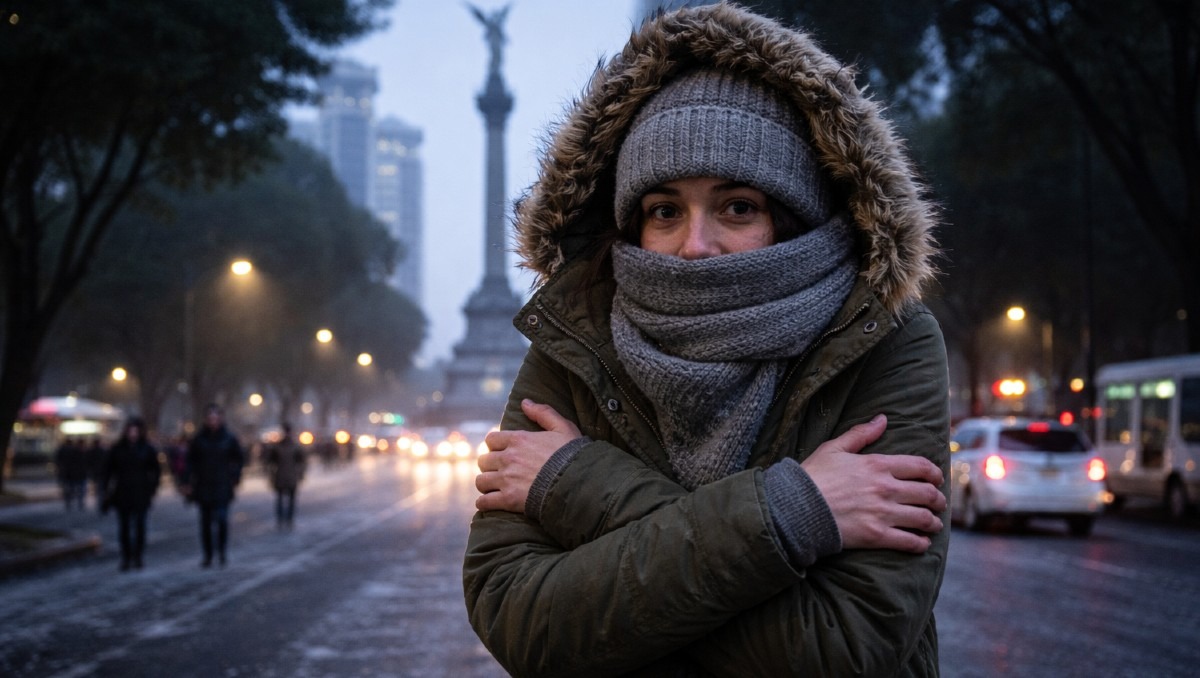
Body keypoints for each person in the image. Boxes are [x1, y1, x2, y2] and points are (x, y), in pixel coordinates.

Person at [463, 4, 951, 676]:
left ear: (793, 215)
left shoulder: (881, 338)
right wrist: (795, 514)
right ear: (631, 223)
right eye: (665, 211)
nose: (694, 246)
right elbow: (518, 618)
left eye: (737, 207)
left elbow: (846, 646)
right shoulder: (576, 334)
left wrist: (576, 484)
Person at [181, 404, 245, 568]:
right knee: (205, 523)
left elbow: (239, 459)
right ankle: (208, 555)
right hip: (203, 486)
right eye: (210, 418)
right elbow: (190, 462)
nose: (213, 421)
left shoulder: (229, 438)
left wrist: (235, 476)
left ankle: (222, 552)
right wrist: (186, 481)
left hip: (222, 485)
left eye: (216, 418)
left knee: (222, 520)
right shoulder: (199, 439)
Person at [99, 417, 161, 571]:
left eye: (135, 431)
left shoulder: (147, 449)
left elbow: (155, 470)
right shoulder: (118, 449)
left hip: (141, 493)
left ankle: (138, 556)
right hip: (123, 493)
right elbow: (108, 471)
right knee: (124, 527)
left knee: (140, 526)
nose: (133, 434)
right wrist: (105, 490)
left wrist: (152, 488)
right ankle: (126, 557)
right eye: (130, 431)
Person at [264, 423, 307, 530]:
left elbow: (302, 462)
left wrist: (300, 474)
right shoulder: (278, 446)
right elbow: (270, 462)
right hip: (280, 477)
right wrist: (271, 475)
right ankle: (281, 519)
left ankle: (289, 519)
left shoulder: (295, 447)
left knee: (291, 500)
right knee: (280, 500)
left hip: (291, 477)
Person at [54, 437, 88, 511]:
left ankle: (71, 503)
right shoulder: (80, 452)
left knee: (71, 489)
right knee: (78, 489)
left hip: (73, 474)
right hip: (77, 475)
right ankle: (78, 503)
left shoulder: (66, 451)